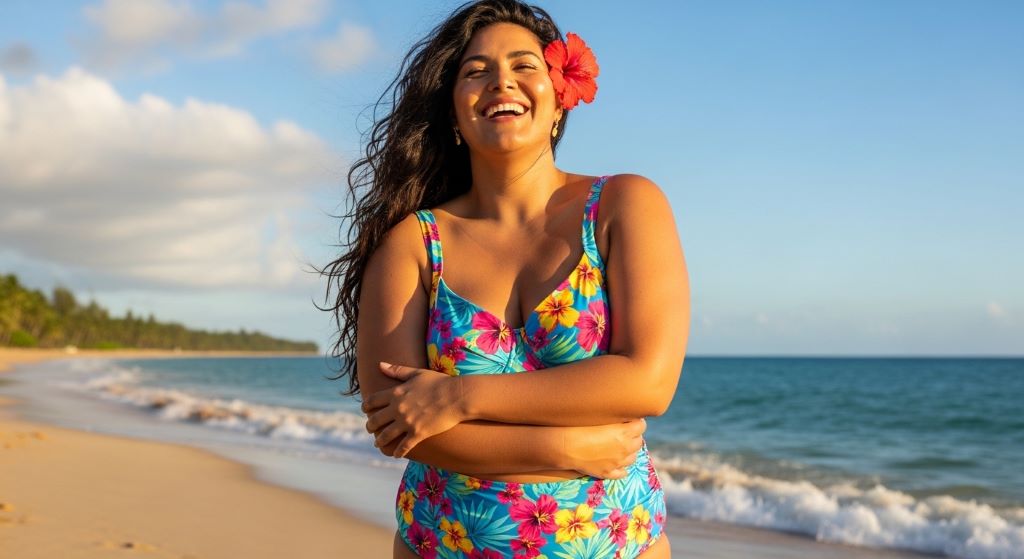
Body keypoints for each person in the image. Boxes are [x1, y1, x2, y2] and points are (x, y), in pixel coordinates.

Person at [321, 1, 689, 557]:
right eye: (476, 71)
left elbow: (646, 382)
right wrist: (568, 450)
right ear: (453, 111)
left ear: (559, 99)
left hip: (617, 544)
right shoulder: (415, 243)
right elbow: (397, 425)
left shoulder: (623, 205)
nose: (501, 82)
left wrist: (460, 395)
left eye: (524, 66)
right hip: (443, 544)